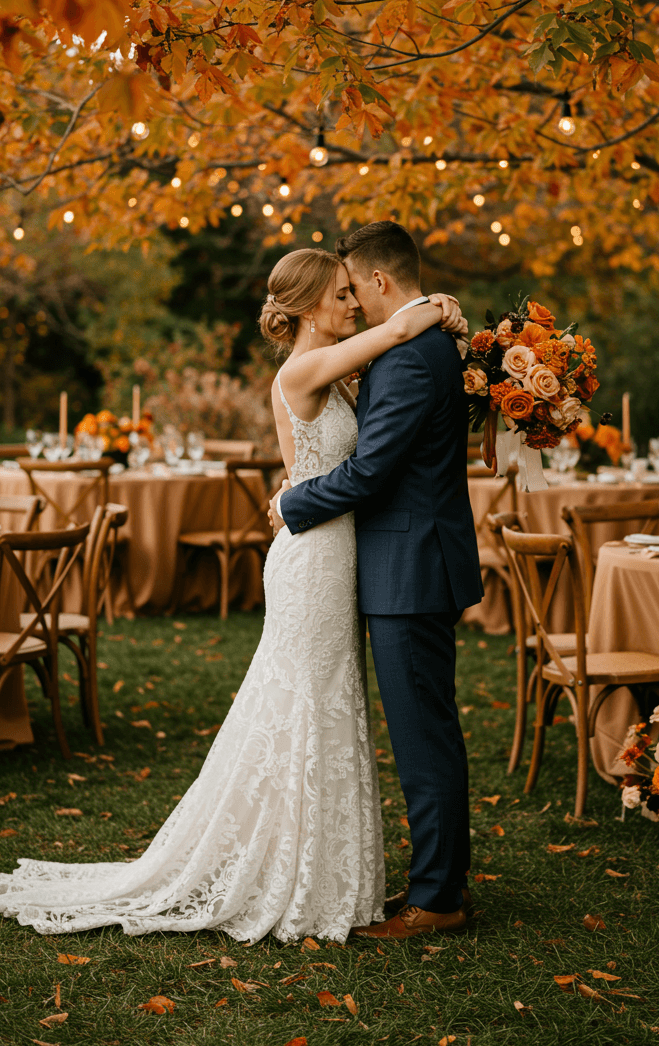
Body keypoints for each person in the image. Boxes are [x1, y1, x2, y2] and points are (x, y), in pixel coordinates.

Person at [0, 246, 466, 945]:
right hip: (313, 550)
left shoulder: (343, 363)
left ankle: (323, 868)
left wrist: (431, 317)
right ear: (305, 309)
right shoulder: (306, 366)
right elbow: (388, 337)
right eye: (340, 294)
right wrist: (430, 308)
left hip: (334, 546)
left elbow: (386, 387)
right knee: (302, 701)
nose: (354, 303)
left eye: (356, 292)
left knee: (326, 703)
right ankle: (287, 867)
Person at [271, 221, 483, 940]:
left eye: (356, 287)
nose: (356, 303)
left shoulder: (409, 354)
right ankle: (438, 881)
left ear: (382, 281)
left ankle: (438, 898)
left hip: (409, 568)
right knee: (426, 730)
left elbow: (372, 471)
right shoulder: (412, 343)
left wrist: (290, 503)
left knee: (423, 737)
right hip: (401, 562)